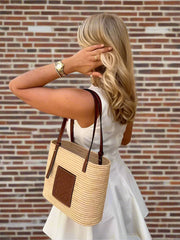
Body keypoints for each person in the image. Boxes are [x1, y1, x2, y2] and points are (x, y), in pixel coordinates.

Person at [9, 13, 151, 240]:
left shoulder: (85, 101)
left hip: (87, 190)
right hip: (117, 184)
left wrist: (69, 64)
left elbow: (17, 86)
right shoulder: (125, 93)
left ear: (91, 51)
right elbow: (124, 140)